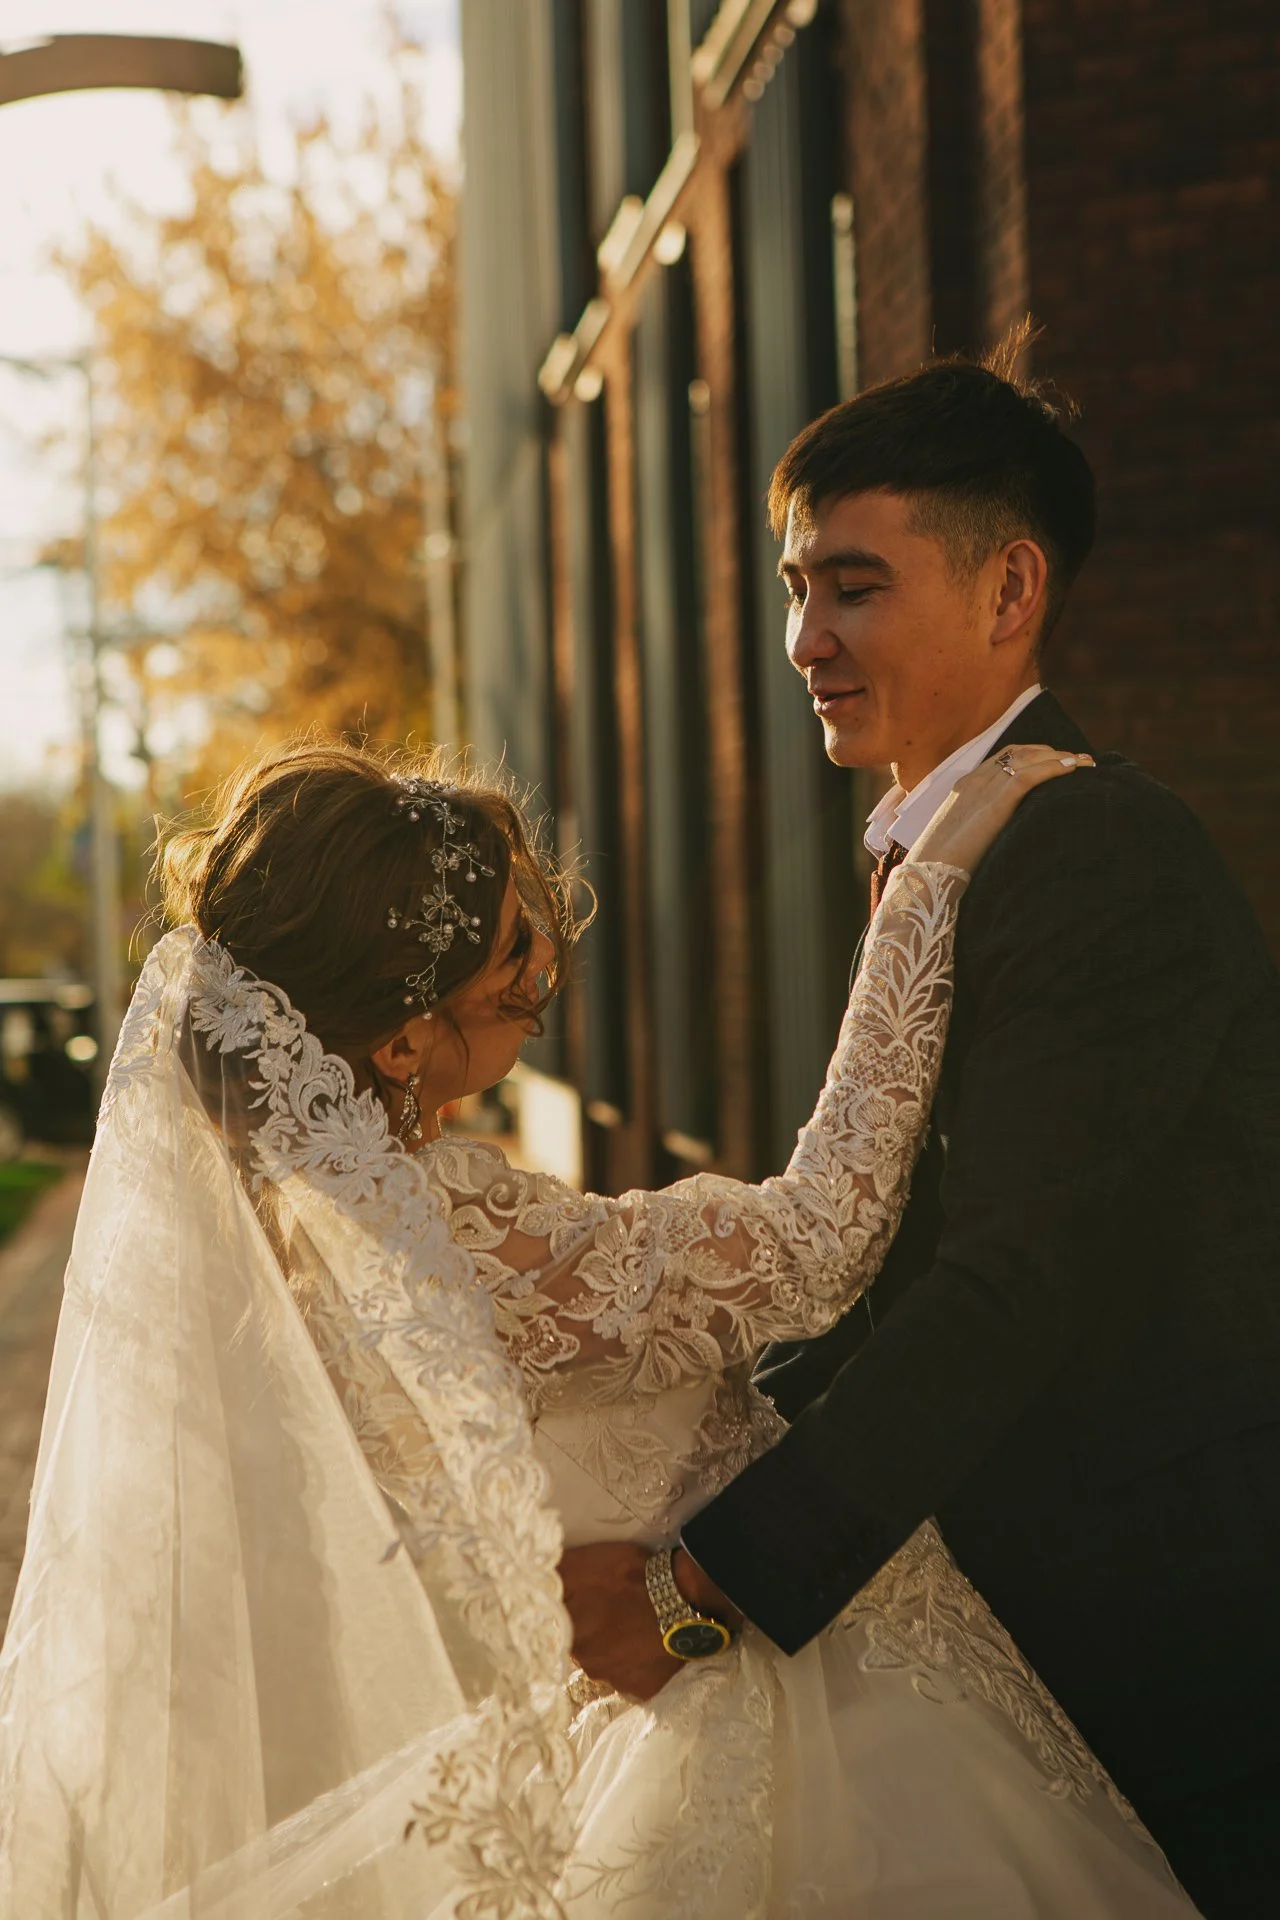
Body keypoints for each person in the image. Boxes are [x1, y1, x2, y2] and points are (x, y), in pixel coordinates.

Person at [0, 735, 1197, 1917]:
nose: (540, 993)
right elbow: (814, 1243)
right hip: (779, 1723)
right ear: (403, 1038)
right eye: (511, 964)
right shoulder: (445, 1232)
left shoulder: (295, 1237)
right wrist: (918, 907)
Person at [562, 333, 1280, 1919]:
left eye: (855, 586)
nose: (807, 635)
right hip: (1007, 1622)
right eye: (796, 588)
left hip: (1149, 1649)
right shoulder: (949, 843)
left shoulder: (1095, 854)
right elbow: (900, 1267)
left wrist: (704, 1584)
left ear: (1010, 588)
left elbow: (1013, 1289)